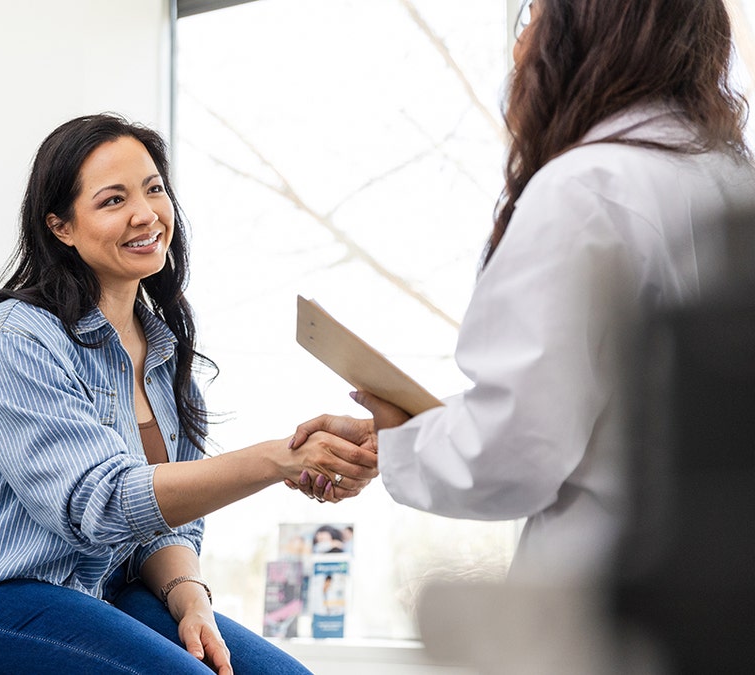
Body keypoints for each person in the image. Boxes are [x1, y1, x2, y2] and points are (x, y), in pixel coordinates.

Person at [289, 0, 755, 581]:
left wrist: (408, 436)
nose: (520, 44)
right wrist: (400, 437)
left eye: (533, 16)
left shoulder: (584, 189)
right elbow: (608, 407)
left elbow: (515, 453)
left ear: (586, 29)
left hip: (609, 594)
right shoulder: (732, 178)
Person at [0, 113, 378, 675]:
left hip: (97, 593)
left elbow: (162, 526)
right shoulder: (10, 343)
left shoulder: (165, 355)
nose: (145, 214)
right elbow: (100, 505)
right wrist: (281, 458)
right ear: (61, 227)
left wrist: (190, 597)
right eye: (112, 200)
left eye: (154, 189)